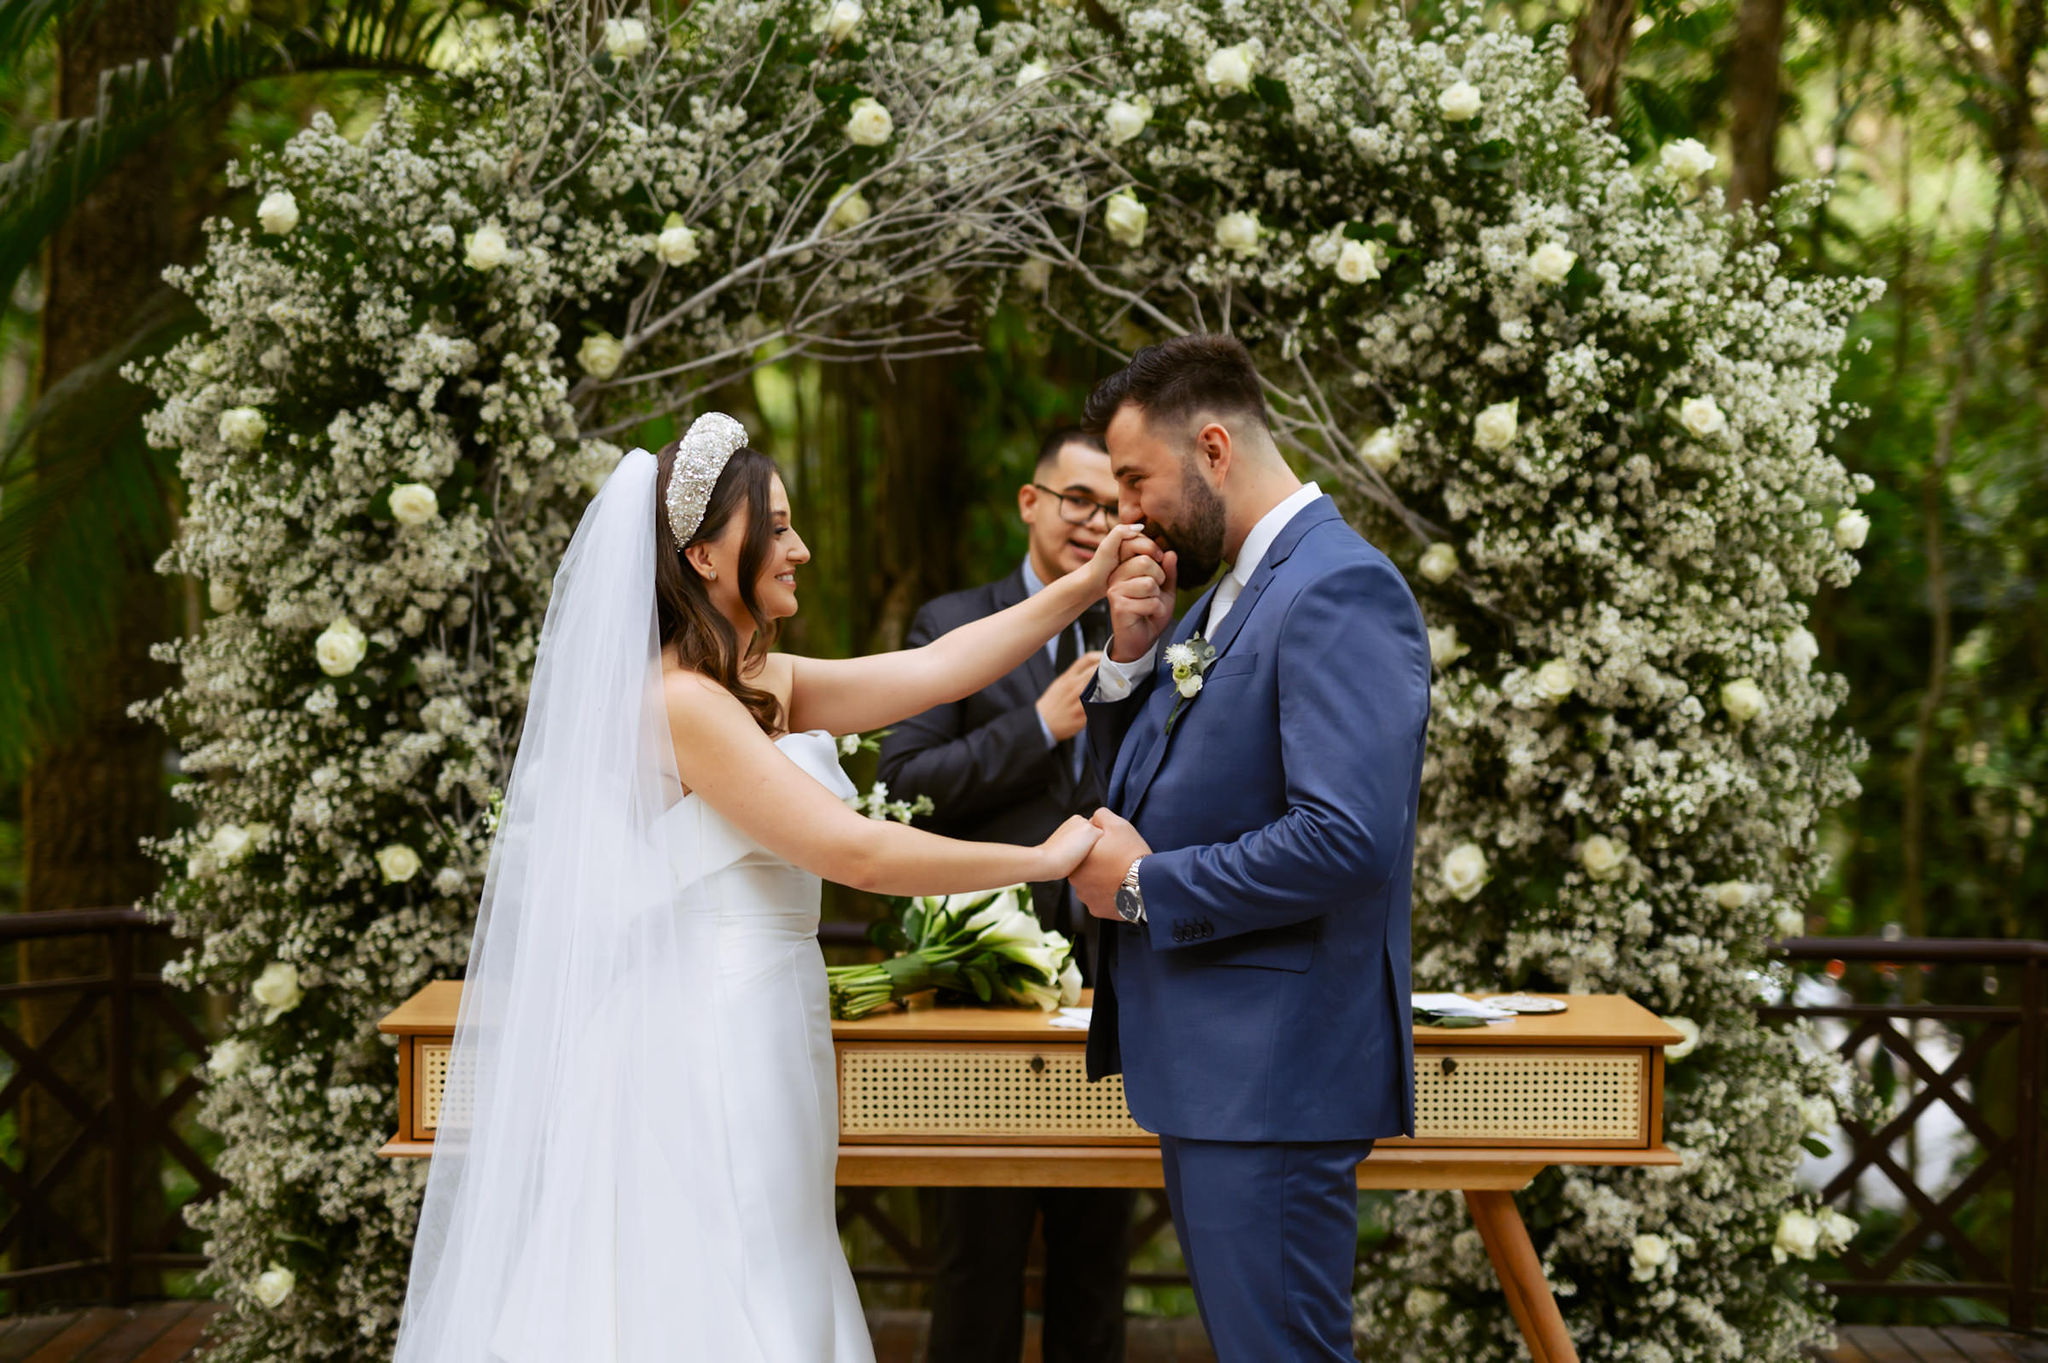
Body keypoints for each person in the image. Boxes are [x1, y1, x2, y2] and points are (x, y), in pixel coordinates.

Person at [392, 415, 1138, 1363]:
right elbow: (854, 852)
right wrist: (1041, 859)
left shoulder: (747, 680)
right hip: (708, 1034)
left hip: (767, 1021)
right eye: (776, 529)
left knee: (775, 1252)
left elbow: (929, 671)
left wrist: (1084, 583)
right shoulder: (681, 705)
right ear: (706, 555)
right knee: (734, 1270)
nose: (801, 548)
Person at [1066, 336, 1432, 1363]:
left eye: (1135, 480)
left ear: (1213, 447)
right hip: (1218, 1067)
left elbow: (1344, 838)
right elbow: (1173, 789)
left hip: (1271, 1070)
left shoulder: (1336, 588)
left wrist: (1140, 886)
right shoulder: (1237, 590)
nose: (1126, 512)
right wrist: (1132, 665)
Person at [878, 426, 1133, 1363]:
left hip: (1113, 991)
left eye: (1114, 507)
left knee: (1098, 1263)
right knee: (976, 1261)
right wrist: (1034, 724)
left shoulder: (1142, 632)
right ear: (1030, 502)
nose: (1095, 522)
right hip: (984, 988)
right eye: (1078, 500)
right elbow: (903, 784)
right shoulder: (954, 626)